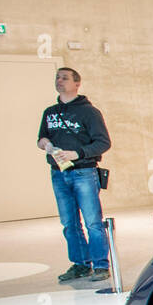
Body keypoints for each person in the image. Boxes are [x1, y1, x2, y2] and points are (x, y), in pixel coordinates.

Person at [37, 67, 112, 282]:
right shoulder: (49, 112)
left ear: (77, 84)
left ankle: (100, 265)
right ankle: (80, 264)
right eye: (57, 78)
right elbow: (41, 138)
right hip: (59, 174)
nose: (59, 81)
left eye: (65, 78)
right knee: (69, 223)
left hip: (84, 172)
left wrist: (78, 153)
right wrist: (46, 145)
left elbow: (103, 142)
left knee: (93, 222)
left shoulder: (89, 112)